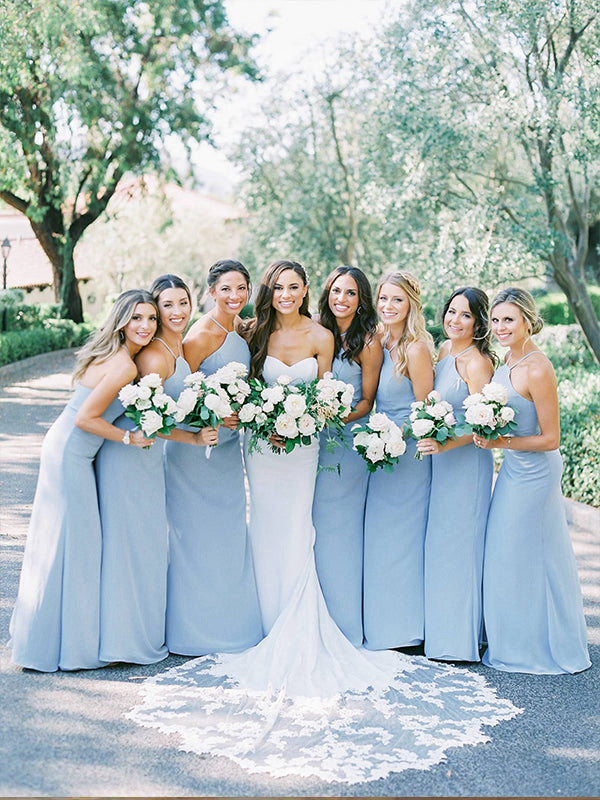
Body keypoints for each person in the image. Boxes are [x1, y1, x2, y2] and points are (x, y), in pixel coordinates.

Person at [127, 263, 520, 783]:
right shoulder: (254, 331)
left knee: (304, 530)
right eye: (279, 287)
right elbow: (211, 380)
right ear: (267, 292)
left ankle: (309, 615)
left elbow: (343, 394)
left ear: (305, 292)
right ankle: (263, 620)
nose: (287, 294)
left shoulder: (324, 337)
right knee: (267, 529)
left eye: (296, 286)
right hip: (263, 448)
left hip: (308, 446)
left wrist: (313, 416)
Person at [10, 290, 158, 672]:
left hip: (67, 451)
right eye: (137, 318)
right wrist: (130, 437)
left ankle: (51, 643)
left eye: (151, 319)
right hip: (70, 455)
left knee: (63, 546)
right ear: (121, 320)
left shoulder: (116, 355)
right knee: (77, 549)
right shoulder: (123, 365)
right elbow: (85, 419)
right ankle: (67, 649)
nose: (145, 326)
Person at [95, 275, 214, 665]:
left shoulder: (176, 346)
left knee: (145, 547)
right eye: (167, 306)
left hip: (147, 458)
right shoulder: (151, 357)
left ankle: (140, 633)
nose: (177, 312)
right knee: (130, 546)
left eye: (184, 303)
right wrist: (193, 439)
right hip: (133, 456)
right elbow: (149, 420)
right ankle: (122, 642)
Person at [476, 287, 590, 674]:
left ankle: (536, 646)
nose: (500, 327)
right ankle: (514, 636)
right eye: (495, 320)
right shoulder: (506, 359)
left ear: (527, 321)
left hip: (537, 470)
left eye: (509, 319)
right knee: (506, 552)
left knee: (521, 551)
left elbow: (551, 438)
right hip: (512, 467)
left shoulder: (539, 367)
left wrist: (500, 440)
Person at [163, 261, 263, 655]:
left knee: (227, 535)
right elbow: (180, 393)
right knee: (197, 538)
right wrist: (213, 415)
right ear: (211, 292)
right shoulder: (202, 333)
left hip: (226, 450)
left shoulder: (239, 327)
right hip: (197, 451)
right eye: (226, 289)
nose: (235, 296)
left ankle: (226, 624)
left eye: (241, 288)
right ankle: (194, 632)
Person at [416, 287, 496, 662]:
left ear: (478, 323)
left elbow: (485, 427)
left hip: (465, 466)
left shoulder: (477, 363)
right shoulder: (445, 352)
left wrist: (445, 445)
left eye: (465, 315)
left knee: (459, 548)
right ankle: (441, 633)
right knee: (440, 547)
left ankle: (459, 641)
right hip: (441, 464)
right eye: (451, 311)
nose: (454, 320)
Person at [363, 271, 435, 650]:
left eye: (397, 300)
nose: (388, 306)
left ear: (411, 305)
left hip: (407, 458)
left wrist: (395, 437)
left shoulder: (416, 349)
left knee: (404, 541)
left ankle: (406, 631)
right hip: (378, 455)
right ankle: (381, 625)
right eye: (384, 299)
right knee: (379, 540)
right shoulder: (377, 340)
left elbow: (425, 410)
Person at [312, 265, 382, 645]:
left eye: (351, 293)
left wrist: (335, 415)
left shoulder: (367, 342)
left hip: (348, 443)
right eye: (336, 291)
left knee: (340, 529)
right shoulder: (315, 331)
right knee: (314, 527)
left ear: (361, 299)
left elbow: (367, 400)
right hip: (309, 441)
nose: (342, 298)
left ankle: (343, 624)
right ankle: (312, 613)